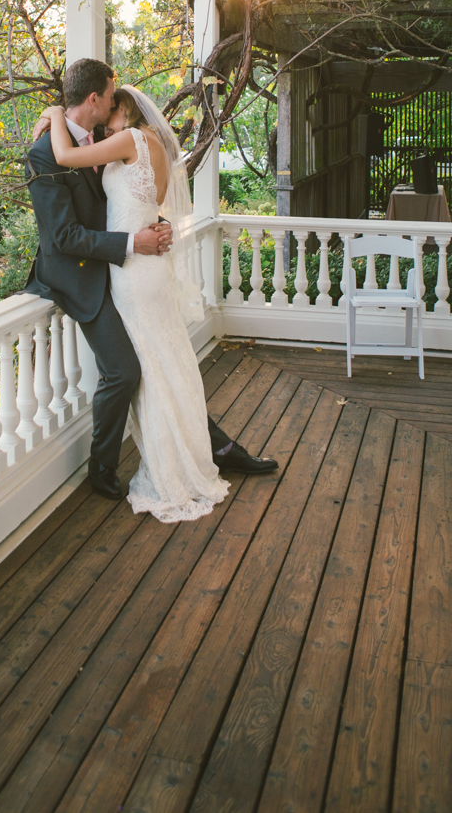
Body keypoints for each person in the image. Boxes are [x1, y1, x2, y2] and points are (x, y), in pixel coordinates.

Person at [25, 57, 277, 519]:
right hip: (83, 277)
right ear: (96, 98)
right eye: (112, 90)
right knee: (129, 370)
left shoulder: (108, 140)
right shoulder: (45, 153)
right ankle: (101, 468)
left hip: (127, 268)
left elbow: (128, 197)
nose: (119, 98)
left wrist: (152, 227)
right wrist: (133, 240)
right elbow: (61, 238)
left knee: (163, 359)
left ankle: (216, 451)